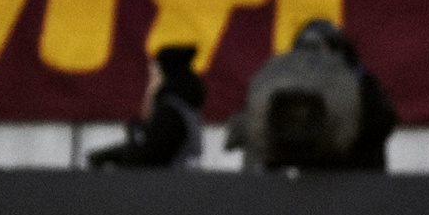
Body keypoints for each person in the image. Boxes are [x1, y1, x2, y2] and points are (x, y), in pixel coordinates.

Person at [228, 19, 395, 172]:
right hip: (295, 172)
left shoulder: (359, 80)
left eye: (319, 49)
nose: (311, 57)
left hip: (352, 172)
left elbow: (382, 122)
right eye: (304, 49)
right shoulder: (281, 82)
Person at [86, 45, 204, 169]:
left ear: (164, 74)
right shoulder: (183, 108)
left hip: (169, 179)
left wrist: (107, 157)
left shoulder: (171, 113)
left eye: (154, 74)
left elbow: (148, 155)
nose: (151, 80)